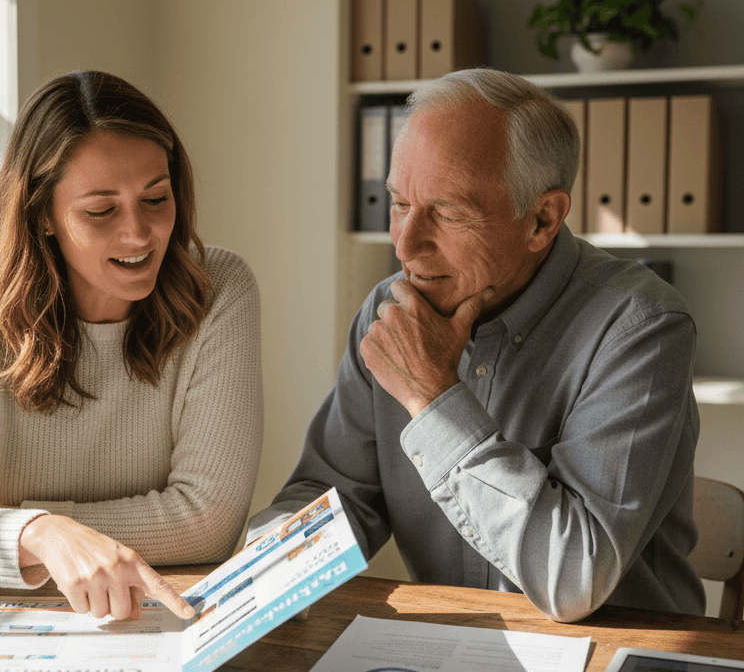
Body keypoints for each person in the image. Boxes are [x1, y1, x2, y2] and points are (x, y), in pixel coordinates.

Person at [247, 68, 705, 624]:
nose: (406, 244)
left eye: (448, 212)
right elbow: (336, 497)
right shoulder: (388, 313)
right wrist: (255, 571)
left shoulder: (642, 326)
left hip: (613, 664)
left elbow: (574, 578)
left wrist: (434, 399)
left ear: (542, 219)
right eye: (398, 204)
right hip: (448, 655)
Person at [0, 71, 263, 621]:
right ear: (42, 214)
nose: (140, 233)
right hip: (17, 619)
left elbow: (210, 521)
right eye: (101, 211)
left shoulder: (220, 289)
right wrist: (42, 533)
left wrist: (26, 531)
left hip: (164, 613)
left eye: (156, 198)